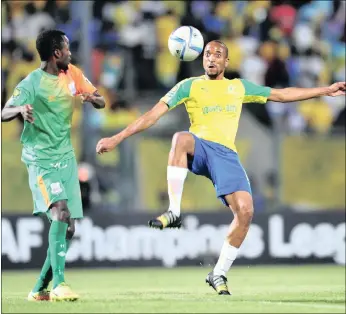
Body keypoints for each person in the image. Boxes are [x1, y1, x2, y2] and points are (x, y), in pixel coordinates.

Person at [96, 40, 345, 295]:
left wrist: (325, 90)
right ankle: (174, 211)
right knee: (180, 138)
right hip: (200, 147)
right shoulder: (188, 86)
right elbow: (151, 115)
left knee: (246, 212)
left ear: (227, 62)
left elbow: (281, 95)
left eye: (217, 55)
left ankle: (218, 273)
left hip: (226, 156)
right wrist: (117, 138)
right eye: (207, 54)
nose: (211, 58)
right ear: (202, 60)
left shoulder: (238, 87)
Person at [1, 29, 105, 301]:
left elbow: (101, 100)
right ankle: (59, 283)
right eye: (67, 48)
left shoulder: (73, 74)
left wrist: (94, 99)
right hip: (41, 158)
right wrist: (20, 110)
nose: (70, 52)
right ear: (56, 52)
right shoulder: (32, 82)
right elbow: (4, 112)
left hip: (66, 158)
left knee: (68, 227)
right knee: (60, 212)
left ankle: (38, 290)